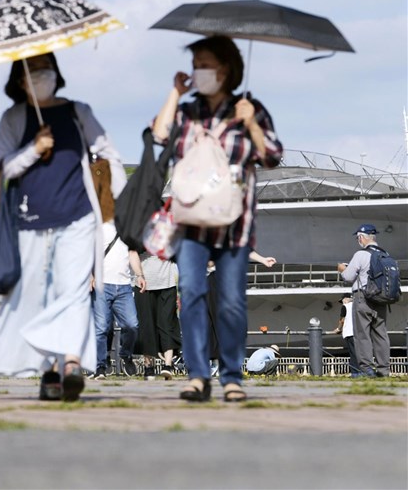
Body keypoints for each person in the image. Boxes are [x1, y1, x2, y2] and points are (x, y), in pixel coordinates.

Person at [0, 53, 125, 402]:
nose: (41, 76)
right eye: (33, 71)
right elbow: (3, 169)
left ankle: (72, 364)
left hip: (79, 216)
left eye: (46, 69)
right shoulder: (13, 118)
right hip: (30, 222)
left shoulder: (79, 112)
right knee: (39, 294)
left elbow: (107, 151)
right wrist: (34, 148)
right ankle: (49, 371)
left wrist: (118, 201)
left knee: (74, 291)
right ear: (19, 80)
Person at [152, 35, 283, 403]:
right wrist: (176, 92)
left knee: (230, 301)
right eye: (197, 64)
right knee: (190, 293)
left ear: (226, 69)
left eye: (207, 64)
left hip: (234, 223)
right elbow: (160, 134)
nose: (200, 71)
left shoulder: (250, 108)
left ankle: (231, 376)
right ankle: (196, 375)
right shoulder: (188, 110)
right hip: (191, 222)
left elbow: (272, 155)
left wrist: (251, 123)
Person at [93, 221, 145, 379]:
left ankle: (126, 355)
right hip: (102, 284)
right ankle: (100, 366)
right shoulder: (99, 226)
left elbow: (133, 253)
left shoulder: (128, 227)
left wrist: (139, 275)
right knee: (101, 328)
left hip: (124, 286)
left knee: (132, 325)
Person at [337, 224, 390, 377]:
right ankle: (384, 370)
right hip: (381, 298)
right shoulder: (385, 254)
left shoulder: (361, 254)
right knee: (381, 334)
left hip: (363, 297)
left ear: (361, 237)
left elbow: (348, 277)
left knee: (362, 334)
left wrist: (342, 269)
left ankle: (367, 369)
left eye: (357, 238)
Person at [134, 253, 182, 379]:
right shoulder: (140, 233)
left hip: (168, 282)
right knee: (146, 325)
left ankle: (167, 365)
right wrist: (139, 275)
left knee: (167, 323)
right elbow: (132, 251)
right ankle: (148, 366)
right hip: (143, 283)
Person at [332, 295, 362, 377]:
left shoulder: (345, 306)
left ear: (346, 299)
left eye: (342, 301)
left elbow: (342, 320)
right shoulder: (358, 305)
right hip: (360, 333)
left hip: (349, 332)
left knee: (353, 354)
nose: (342, 303)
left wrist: (338, 329)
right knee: (360, 353)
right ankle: (363, 371)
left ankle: (355, 373)